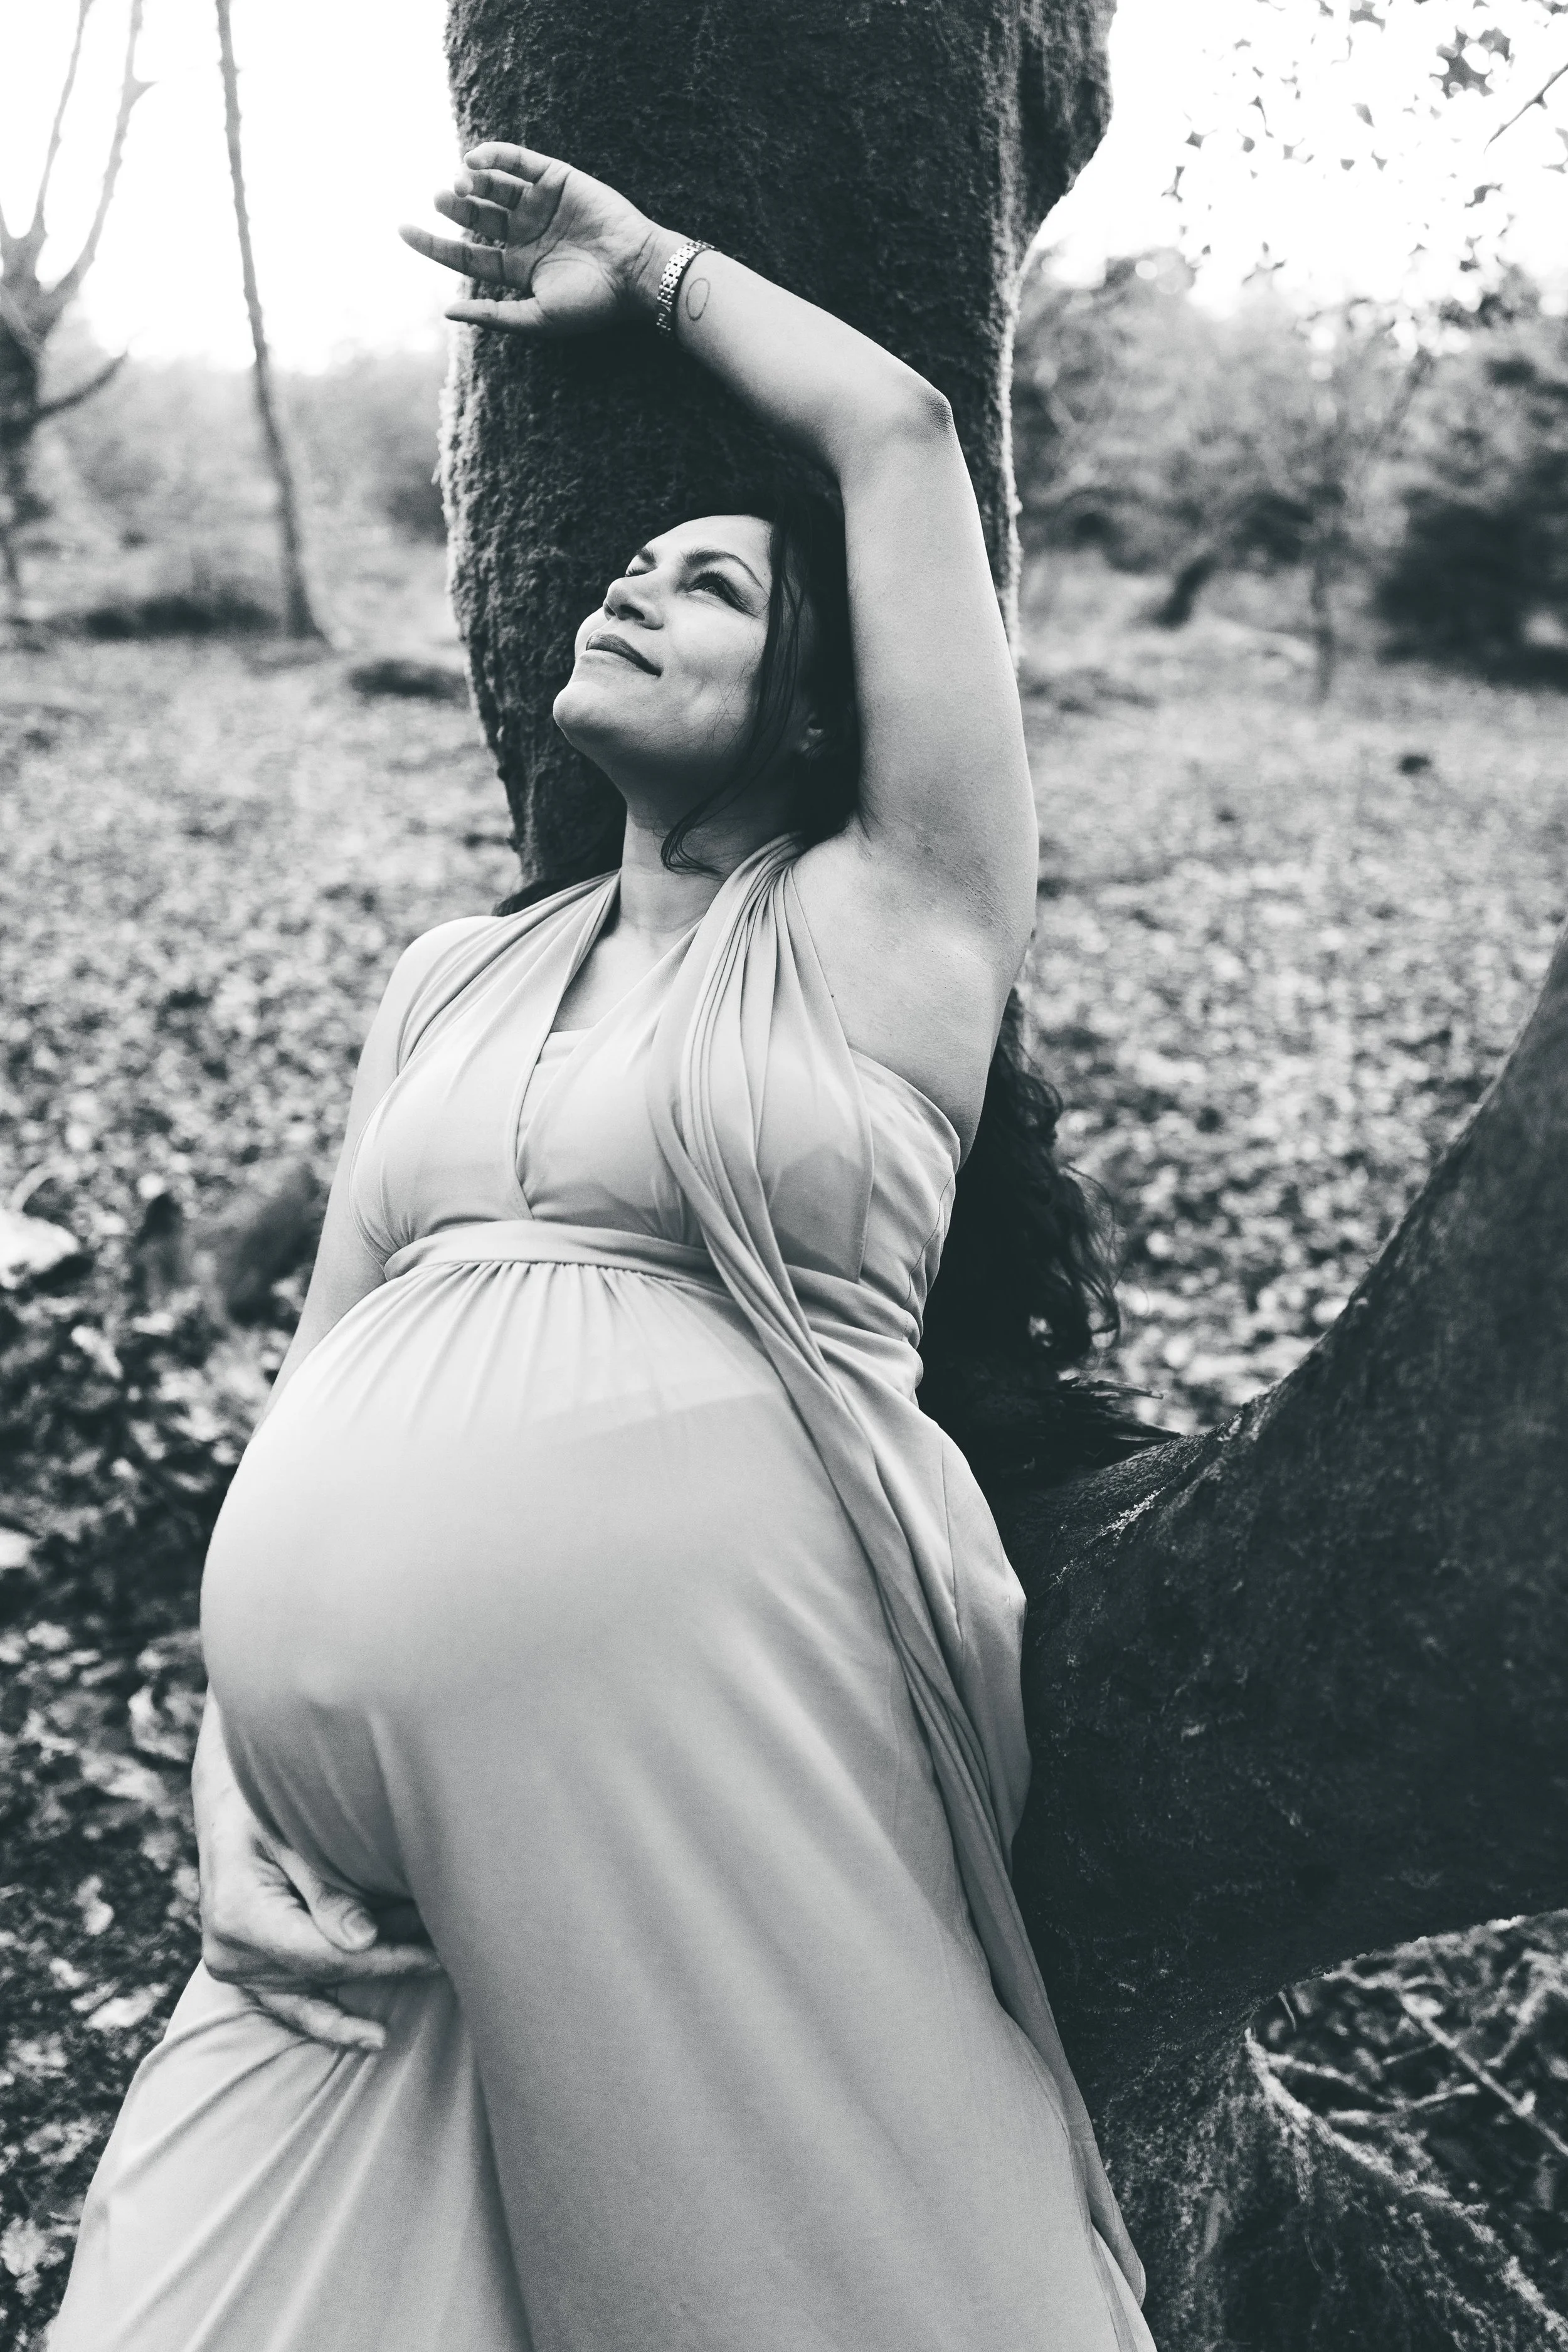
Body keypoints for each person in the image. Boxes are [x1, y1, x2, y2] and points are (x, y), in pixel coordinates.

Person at [51, 146, 1154, 2352]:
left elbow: (897, 435)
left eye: (715, 586)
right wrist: (226, 1772)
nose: (636, 592)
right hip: (337, 1896)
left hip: (710, 1789)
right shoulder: (447, 982)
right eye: (629, 568)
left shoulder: (890, 928)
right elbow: (323, 1394)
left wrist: (645, 272)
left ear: (824, 696)